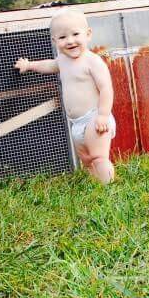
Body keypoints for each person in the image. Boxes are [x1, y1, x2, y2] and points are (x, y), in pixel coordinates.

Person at [14, 10, 115, 183]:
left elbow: (106, 88)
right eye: (62, 37)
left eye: (76, 34)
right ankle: (97, 186)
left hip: (94, 118)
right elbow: (48, 65)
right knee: (88, 161)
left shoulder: (92, 61)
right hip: (76, 123)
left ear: (88, 34)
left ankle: (109, 187)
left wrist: (103, 115)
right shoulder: (62, 60)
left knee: (98, 157)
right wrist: (29, 65)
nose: (70, 41)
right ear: (54, 41)